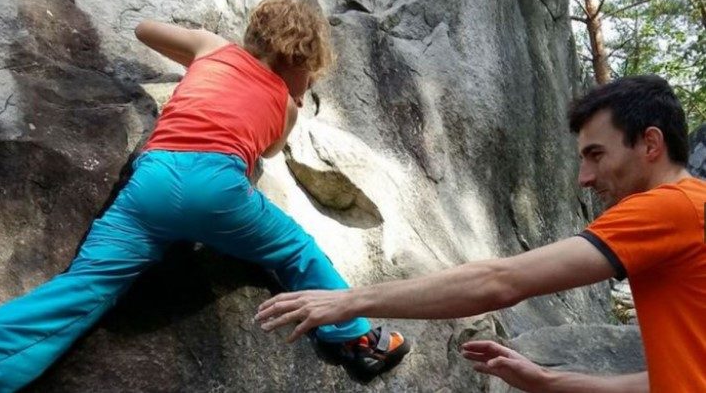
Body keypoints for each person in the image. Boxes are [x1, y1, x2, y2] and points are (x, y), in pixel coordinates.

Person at [0, 0, 409, 393]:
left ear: (254, 36)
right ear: (304, 63)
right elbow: (269, 152)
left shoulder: (212, 48)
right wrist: (285, 97)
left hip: (151, 180)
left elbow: (144, 29)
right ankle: (357, 337)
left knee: (85, 287)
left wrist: (202, 49)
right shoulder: (286, 103)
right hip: (218, 186)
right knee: (295, 250)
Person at [256, 75, 706, 392]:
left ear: (650, 144)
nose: (584, 178)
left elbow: (500, 282)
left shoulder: (671, 207)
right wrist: (549, 382)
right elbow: (672, 379)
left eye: (595, 154)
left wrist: (347, 300)